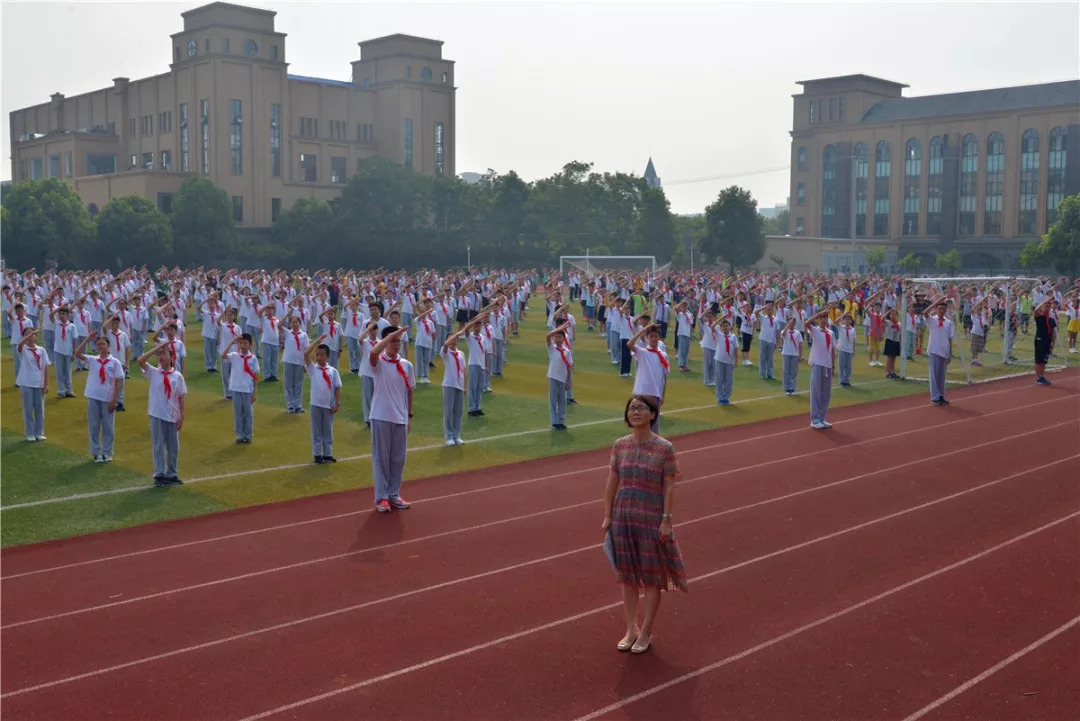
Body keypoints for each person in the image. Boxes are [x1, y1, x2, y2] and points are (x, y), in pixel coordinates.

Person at [601, 394, 687, 655]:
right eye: (631, 408)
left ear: (653, 414)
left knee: (651, 578)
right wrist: (608, 515)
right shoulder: (620, 446)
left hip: (651, 516)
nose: (635, 412)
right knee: (627, 577)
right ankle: (631, 628)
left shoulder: (665, 448)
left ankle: (647, 629)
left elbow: (670, 487)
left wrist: (666, 520)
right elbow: (612, 482)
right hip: (624, 515)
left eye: (641, 408)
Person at [368, 325, 415, 512]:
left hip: (400, 418)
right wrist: (389, 336)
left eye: (398, 340)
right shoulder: (378, 362)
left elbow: (410, 391)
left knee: (398, 459)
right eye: (392, 340)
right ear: (385, 341)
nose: (396, 344)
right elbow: (373, 352)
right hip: (380, 416)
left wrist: (409, 416)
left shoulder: (407, 365)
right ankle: (382, 498)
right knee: (382, 459)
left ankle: (394, 494)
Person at [137, 341, 187, 486]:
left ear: (172, 357)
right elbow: (140, 361)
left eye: (164, 353)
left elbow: (181, 397)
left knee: (173, 446)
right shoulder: (154, 372)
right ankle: (159, 474)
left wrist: (181, 416)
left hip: (172, 415)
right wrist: (156, 349)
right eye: (159, 354)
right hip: (156, 414)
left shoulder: (177, 376)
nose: (161, 356)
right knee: (158, 445)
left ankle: (171, 473)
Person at [73, 332, 124, 462]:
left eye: (103, 344)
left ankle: (107, 452)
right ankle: (96, 452)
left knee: (108, 426)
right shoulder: (93, 360)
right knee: (94, 425)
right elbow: (77, 353)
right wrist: (86, 339)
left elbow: (119, 382)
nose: (101, 346)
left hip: (107, 398)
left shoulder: (115, 362)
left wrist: (115, 400)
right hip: (93, 396)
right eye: (98, 344)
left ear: (108, 346)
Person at [304, 335, 342, 462]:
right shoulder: (313, 369)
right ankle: (317, 454)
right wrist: (315, 342)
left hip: (328, 405)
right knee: (316, 430)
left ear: (327, 356)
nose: (319, 357)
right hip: (316, 404)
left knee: (328, 430)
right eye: (317, 355)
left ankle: (328, 453)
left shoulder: (333, 371)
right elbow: (305, 354)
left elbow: (337, 388)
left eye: (322, 355)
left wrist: (337, 403)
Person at [627, 323, 668, 432]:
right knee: (640, 424)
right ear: (647, 337)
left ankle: (653, 449)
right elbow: (630, 344)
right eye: (651, 336)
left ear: (659, 338)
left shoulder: (663, 355)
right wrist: (643, 330)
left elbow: (664, 376)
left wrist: (663, 394)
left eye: (656, 336)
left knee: (654, 426)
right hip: (643, 393)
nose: (654, 339)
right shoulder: (643, 352)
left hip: (656, 394)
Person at [222, 332, 259, 443]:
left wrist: (255, 392)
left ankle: (248, 435)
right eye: (241, 343)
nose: (243, 345)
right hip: (236, 389)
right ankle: (239, 435)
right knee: (238, 413)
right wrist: (231, 342)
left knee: (248, 413)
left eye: (245, 343)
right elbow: (223, 356)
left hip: (248, 390)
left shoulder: (253, 358)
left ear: (250, 345)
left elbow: (255, 376)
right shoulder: (234, 356)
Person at [16, 328, 50, 442]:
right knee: (28, 409)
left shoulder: (42, 350)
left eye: (33, 334)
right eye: (27, 334)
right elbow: (20, 345)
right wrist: (27, 335)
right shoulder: (23, 349)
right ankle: (30, 433)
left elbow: (46, 367)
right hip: (26, 382)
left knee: (39, 409)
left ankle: (39, 432)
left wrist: (46, 384)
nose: (31, 336)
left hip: (39, 383)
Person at [805, 306, 836, 429]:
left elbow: (833, 351)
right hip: (818, 364)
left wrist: (833, 366)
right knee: (816, 392)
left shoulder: (831, 333)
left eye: (825, 318)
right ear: (818, 319)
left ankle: (822, 418)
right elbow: (806, 323)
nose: (824, 320)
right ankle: (815, 419)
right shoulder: (815, 331)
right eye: (822, 318)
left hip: (827, 366)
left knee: (826, 394)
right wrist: (819, 314)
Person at [439, 325, 469, 445]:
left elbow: (464, 371)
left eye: (455, 339)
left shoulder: (461, 354)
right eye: (451, 339)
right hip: (449, 384)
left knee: (458, 411)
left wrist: (465, 386)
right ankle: (449, 436)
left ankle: (457, 435)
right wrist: (457, 333)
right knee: (449, 411)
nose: (454, 341)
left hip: (459, 385)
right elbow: (445, 345)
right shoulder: (445, 353)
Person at [923, 297, 954, 405]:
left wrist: (950, 353)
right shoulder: (932, 320)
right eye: (940, 309)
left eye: (943, 309)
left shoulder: (948, 323)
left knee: (942, 375)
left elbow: (950, 338)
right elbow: (925, 312)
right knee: (934, 374)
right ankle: (934, 396)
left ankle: (941, 395)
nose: (942, 311)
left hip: (944, 351)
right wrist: (936, 302)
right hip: (934, 350)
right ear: (936, 309)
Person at [545, 322, 573, 430]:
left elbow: (569, 367)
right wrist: (558, 329)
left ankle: (561, 421)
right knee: (553, 400)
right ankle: (554, 422)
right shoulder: (552, 349)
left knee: (562, 401)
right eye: (556, 337)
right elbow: (547, 336)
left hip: (563, 378)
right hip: (553, 377)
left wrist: (569, 381)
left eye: (559, 337)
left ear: (563, 338)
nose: (557, 338)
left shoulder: (567, 352)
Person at [713, 317, 739, 405]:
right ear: (721, 328)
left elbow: (735, 349)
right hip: (719, 360)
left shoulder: (733, 337)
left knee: (728, 381)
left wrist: (736, 361)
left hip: (729, 361)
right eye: (723, 326)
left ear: (730, 327)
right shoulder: (719, 335)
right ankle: (720, 397)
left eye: (726, 326)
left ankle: (726, 397)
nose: (725, 328)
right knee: (720, 380)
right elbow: (712, 327)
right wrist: (720, 318)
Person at [1033, 297, 1056, 386]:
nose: (1047, 307)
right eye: (1045, 306)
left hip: (1047, 342)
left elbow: (1053, 333)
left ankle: (1042, 376)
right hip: (1039, 341)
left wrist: (1052, 343)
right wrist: (1044, 302)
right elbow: (1035, 310)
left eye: (1048, 306)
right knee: (1038, 360)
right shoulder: (1039, 317)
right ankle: (1038, 377)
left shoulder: (1051, 319)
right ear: (1042, 307)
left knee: (1044, 361)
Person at [779, 316, 803, 395]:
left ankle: (792, 388)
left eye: (793, 323)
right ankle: (786, 388)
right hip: (786, 353)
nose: (791, 324)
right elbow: (783, 334)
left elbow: (800, 344)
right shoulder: (785, 331)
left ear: (795, 323)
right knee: (786, 371)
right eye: (790, 322)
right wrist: (787, 326)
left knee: (793, 372)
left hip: (795, 354)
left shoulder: (797, 333)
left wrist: (800, 355)